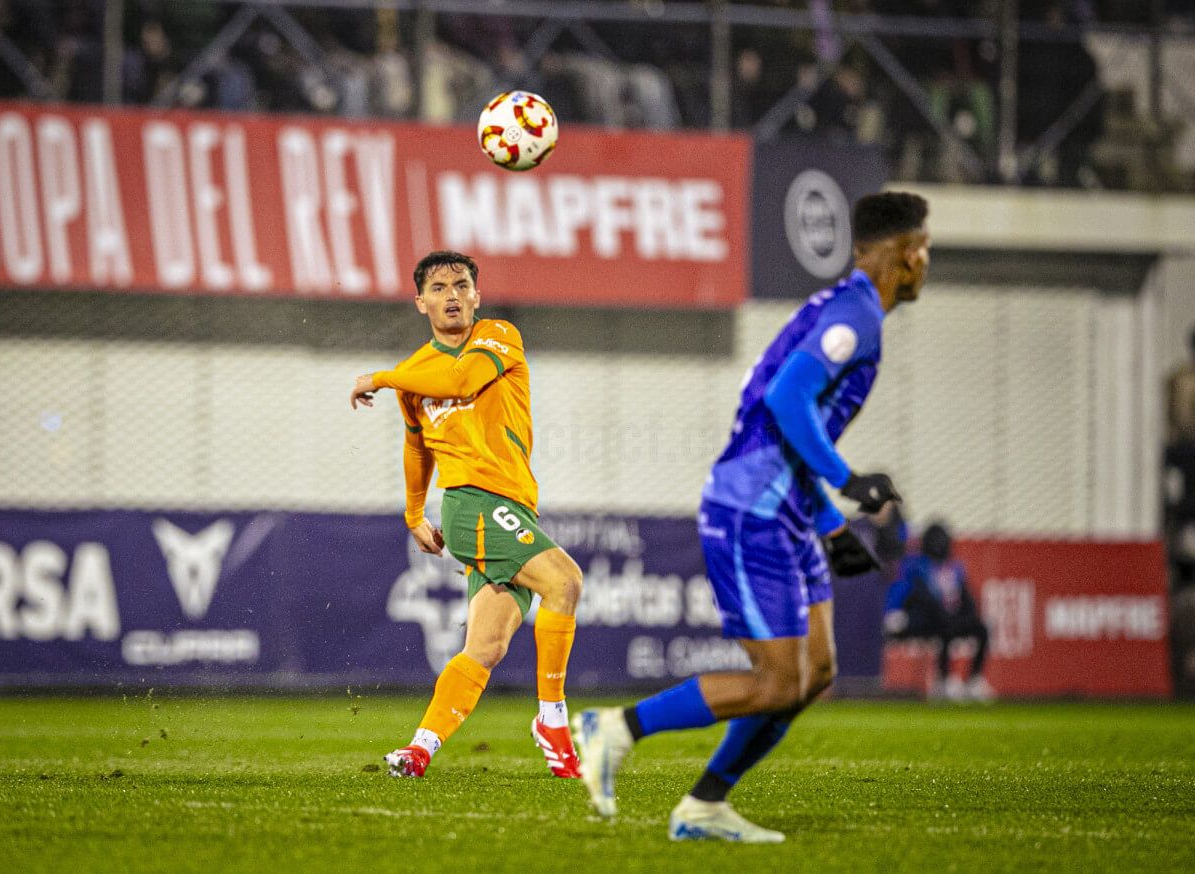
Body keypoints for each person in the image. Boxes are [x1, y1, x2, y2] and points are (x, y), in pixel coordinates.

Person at [574, 192, 931, 842]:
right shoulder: (856, 316)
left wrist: (829, 523)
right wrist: (847, 481)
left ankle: (704, 806)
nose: (926, 262)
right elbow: (787, 399)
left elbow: (790, 428)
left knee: (816, 673)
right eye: (924, 249)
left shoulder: (841, 308)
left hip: (788, 510)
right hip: (751, 510)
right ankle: (617, 728)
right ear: (905, 256)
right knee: (778, 683)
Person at [350, 250, 583, 779]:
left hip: (514, 505)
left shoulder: (498, 336)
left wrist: (383, 377)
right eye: (438, 287)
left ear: (477, 295)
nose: (451, 295)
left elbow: (460, 381)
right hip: (471, 504)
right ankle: (552, 718)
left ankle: (418, 749)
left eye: (461, 285)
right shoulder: (413, 373)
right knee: (565, 582)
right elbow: (417, 447)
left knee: (486, 646)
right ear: (421, 302)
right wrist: (414, 512)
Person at [884, 522, 994, 702]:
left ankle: (974, 680)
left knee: (981, 629)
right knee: (945, 628)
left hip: (951, 619)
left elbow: (966, 597)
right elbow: (923, 598)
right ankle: (944, 680)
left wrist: (967, 618)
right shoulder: (917, 566)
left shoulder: (955, 568)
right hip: (924, 620)